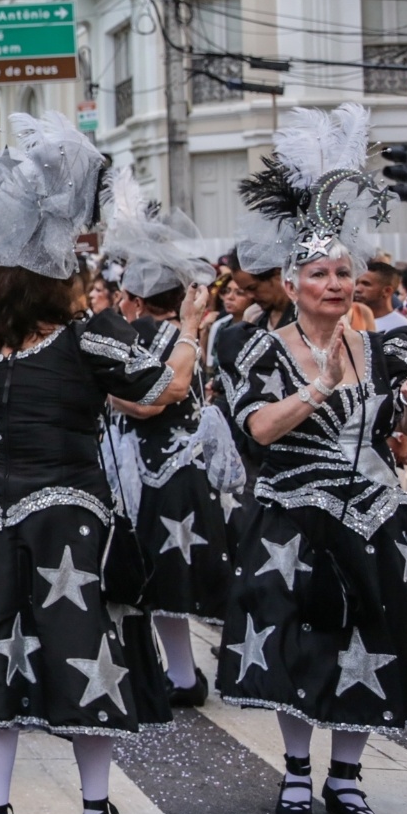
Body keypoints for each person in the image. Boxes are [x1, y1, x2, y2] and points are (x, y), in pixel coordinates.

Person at [0, 114, 204, 814]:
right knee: (82, 665)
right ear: (58, 274)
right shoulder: (90, 334)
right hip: (65, 521)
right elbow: (159, 388)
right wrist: (190, 327)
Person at [218, 105, 407, 814]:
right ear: (294, 282)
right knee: (298, 642)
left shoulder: (384, 351)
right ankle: (297, 774)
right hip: (291, 517)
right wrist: (316, 388)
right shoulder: (260, 352)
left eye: (344, 273)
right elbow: (259, 431)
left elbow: (398, 434)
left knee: (373, 642)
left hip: (372, 515)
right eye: (319, 273)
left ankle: (349, 778)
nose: (335, 284)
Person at [97, 169, 232, 710]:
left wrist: (105, 391)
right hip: (182, 469)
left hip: (147, 472)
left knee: (145, 574)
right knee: (170, 577)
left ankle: (168, 675)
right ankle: (181, 673)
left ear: (131, 295)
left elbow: (150, 400)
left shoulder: (137, 336)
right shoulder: (189, 333)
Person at [354, 260, 407, 333]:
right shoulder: (346, 321)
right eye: (356, 283)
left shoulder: (403, 328)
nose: (357, 289)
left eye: (366, 284)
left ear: (387, 291)